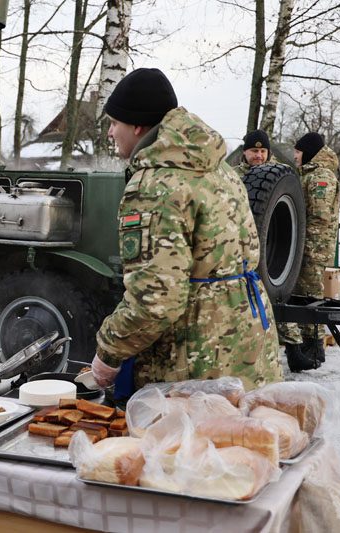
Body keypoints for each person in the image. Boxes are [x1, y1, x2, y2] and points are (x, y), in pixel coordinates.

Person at [90, 68, 282, 396]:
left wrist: (108, 353)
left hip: (195, 366)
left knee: (189, 447)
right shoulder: (219, 169)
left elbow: (156, 300)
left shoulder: (154, 186)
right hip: (248, 346)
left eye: (114, 123)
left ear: (137, 126)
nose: (110, 133)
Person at [277, 132, 340, 368]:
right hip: (309, 245)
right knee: (303, 296)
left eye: (298, 152)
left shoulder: (320, 177)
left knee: (311, 297)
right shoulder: (309, 174)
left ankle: (314, 348)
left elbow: (319, 216)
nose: (295, 156)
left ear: (310, 152)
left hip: (314, 247)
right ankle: (307, 347)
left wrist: (304, 241)